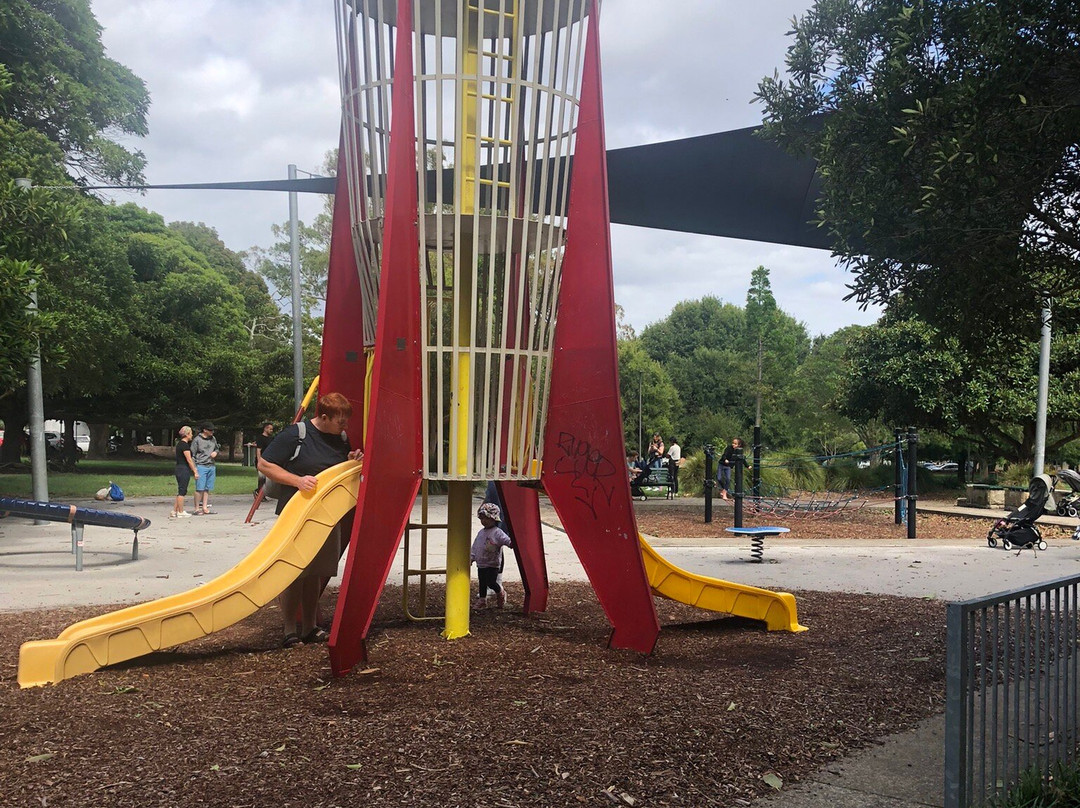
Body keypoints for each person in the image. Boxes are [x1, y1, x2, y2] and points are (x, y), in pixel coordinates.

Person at [258, 392, 363, 648]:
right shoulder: (296, 434)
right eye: (340, 421)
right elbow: (265, 464)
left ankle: (310, 627)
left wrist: (349, 463)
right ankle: (289, 630)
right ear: (324, 417)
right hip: (297, 513)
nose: (344, 426)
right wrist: (298, 481)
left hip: (326, 515)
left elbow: (334, 469)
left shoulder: (339, 438)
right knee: (295, 572)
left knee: (316, 571)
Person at [471, 502, 513, 609]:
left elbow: (506, 540)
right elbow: (476, 546)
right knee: (482, 582)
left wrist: (511, 543)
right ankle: (482, 600)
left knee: (491, 582)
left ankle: (500, 592)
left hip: (492, 563)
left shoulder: (497, 532)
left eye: (486, 518)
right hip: (481, 563)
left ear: (493, 519)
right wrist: (472, 557)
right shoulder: (481, 533)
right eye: (481, 518)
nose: (483, 521)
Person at [191, 423, 220, 515]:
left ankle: (204, 507)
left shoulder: (213, 439)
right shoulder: (197, 440)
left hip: (211, 465)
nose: (212, 432)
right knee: (200, 488)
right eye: (210, 430)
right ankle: (196, 508)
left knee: (207, 488)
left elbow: (217, 448)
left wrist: (215, 452)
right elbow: (193, 455)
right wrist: (195, 469)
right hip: (201, 465)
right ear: (205, 430)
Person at [171, 426, 197, 518]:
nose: (192, 435)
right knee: (182, 490)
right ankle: (181, 512)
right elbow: (189, 459)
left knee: (180, 490)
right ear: (187, 434)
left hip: (179, 468)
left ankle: (174, 510)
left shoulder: (180, 444)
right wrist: (195, 471)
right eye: (190, 433)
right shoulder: (184, 445)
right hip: (183, 469)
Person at [254, 421, 275, 496]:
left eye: (272, 429)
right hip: (261, 460)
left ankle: (261, 493)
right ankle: (258, 493)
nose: (271, 431)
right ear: (265, 429)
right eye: (270, 429)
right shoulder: (260, 438)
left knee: (267, 479)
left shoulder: (271, 438)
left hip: (268, 461)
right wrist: (259, 461)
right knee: (262, 478)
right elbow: (258, 450)